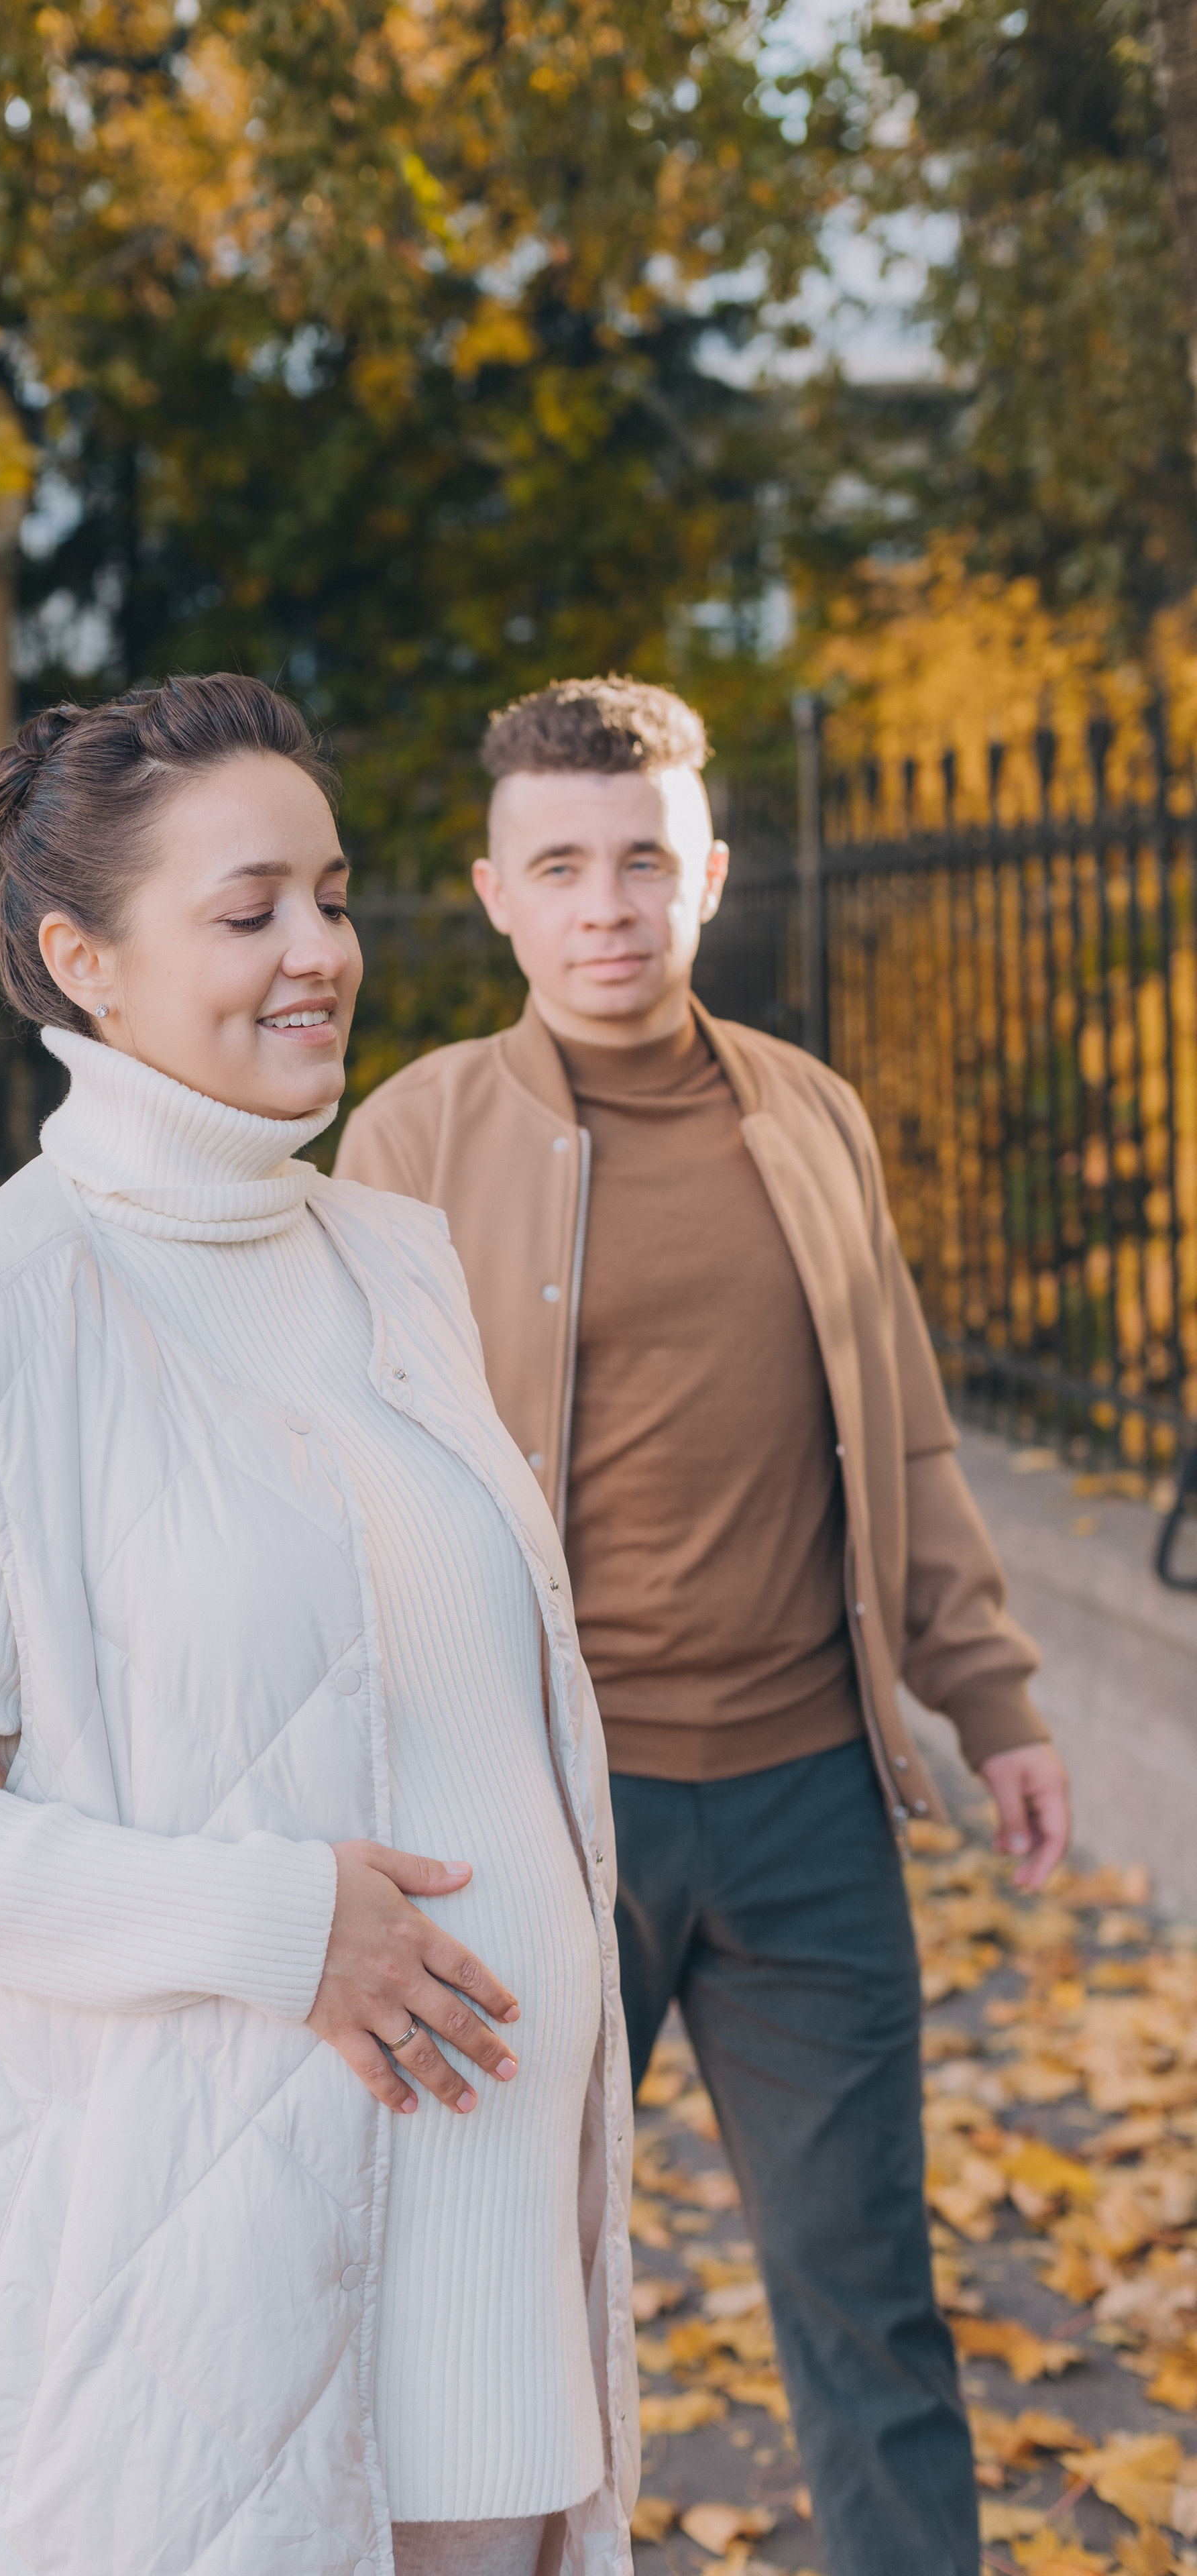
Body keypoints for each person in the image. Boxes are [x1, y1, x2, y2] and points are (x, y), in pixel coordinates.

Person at [0, 674, 636, 2576]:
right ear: (83, 960)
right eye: (249, 914)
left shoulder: (389, 1258)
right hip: (213, 2287)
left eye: (330, 897)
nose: (321, 951)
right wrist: (274, 1925)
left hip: (494, 2249)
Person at [335, 674, 1073, 2576]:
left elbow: (898, 1417)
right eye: (561, 867)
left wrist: (991, 1698)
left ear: (711, 877)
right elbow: (337, 1497)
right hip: (538, 1826)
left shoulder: (811, 1118)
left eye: (643, 863)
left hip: (813, 1805)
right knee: (495, 2311)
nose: (608, 906)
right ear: (493, 893)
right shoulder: (410, 1147)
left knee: (869, 2303)